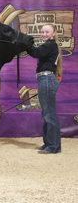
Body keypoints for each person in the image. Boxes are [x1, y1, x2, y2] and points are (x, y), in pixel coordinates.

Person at [27, 24, 62, 154]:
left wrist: (25, 44)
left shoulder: (50, 44)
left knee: (49, 114)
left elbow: (36, 53)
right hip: (45, 79)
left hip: (46, 79)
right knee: (46, 113)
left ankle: (52, 147)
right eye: (42, 32)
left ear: (53, 33)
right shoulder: (50, 45)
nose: (44, 34)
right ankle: (50, 144)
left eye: (47, 32)